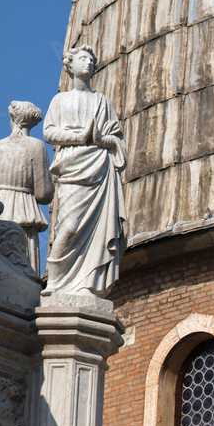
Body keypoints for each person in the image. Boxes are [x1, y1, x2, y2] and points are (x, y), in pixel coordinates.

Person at [43, 44, 127, 297]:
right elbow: (49, 132)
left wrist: (101, 140)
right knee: (68, 228)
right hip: (73, 168)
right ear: (70, 66)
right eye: (83, 59)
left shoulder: (104, 102)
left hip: (100, 170)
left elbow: (117, 142)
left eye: (91, 60)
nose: (88, 63)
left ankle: (88, 285)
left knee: (99, 231)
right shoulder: (60, 100)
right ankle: (56, 284)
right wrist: (80, 136)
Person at [0, 101, 54, 274]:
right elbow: (44, 193)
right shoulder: (36, 146)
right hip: (25, 211)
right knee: (25, 271)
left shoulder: (0, 146)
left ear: (13, 119)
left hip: (1, 209)